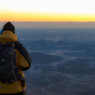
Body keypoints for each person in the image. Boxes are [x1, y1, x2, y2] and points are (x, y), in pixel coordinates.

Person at [0, 22, 32, 95]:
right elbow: (27, 65)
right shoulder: (17, 45)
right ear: (13, 32)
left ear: (2, 32)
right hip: (16, 88)